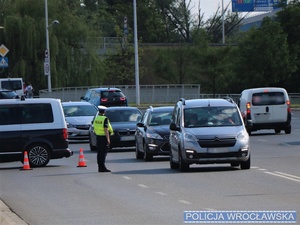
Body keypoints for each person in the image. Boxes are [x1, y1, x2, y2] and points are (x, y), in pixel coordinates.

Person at [92, 105, 114, 172]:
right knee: (103, 153)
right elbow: (106, 129)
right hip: (104, 137)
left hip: (98, 137)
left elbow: (94, 127)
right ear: (104, 112)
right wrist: (108, 139)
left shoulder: (96, 118)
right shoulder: (105, 119)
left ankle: (100, 166)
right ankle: (103, 167)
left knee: (99, 152)